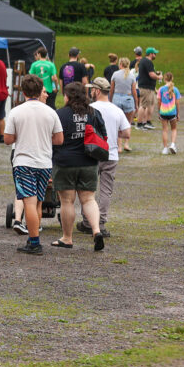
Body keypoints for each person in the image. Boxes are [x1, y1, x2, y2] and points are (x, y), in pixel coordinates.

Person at [3, 75, 63, 254]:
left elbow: (8, 139)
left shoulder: (16, 112)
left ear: (23, 92)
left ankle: (35, 242)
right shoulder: (51, 112)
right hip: (44, 162)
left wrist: (20, 135)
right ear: (40, 90)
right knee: (38, 202)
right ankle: (32, 237)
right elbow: (59, 139)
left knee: (28, 202)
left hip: (24, 162)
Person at [51, 82, 107, 251]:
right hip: (89, 162)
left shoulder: (60, 114)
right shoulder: (94, 113)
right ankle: (96, 231)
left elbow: (52, 138)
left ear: (68, 97)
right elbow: (104, 136)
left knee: (67, 201)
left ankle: (67, 238)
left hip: (65, 162)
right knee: (89, 199)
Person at [80, 78, 131, 238]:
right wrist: (114, 133)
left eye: (92, 89)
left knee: (88, 190)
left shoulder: (89, 109)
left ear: (96, 91)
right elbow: (127, 133)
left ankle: (87, 221)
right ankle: (100, 223)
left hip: (91, 153)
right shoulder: (117, 110)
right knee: (106, 191)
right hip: (110, 154)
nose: (90, 92)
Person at [109, 58, 137, 152]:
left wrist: (110, 100)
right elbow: (134, 91)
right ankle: (126, 144)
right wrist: (136, 103)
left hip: (116, 99)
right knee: (128, 123)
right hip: (128, 99)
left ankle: (119, 146)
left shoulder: (115, 74)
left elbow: (111, 90)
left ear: (120, 64)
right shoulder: (132, 75)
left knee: (117, 124)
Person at [134, 47, 160, 130]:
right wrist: (159, 77)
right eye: (154, 53)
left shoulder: (145, 61)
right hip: (146, 87)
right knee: (143, 105)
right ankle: (139, 124)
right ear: (151, 54)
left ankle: (147, 122)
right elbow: (151, 74)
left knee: (150, 104)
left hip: (149, 87)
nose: (155, 55)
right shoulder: (148, 62)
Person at [158, 73, 181, 155]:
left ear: (164, 79)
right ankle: (173, 144)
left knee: (165, 130)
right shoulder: (176, 90)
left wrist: (159, 112)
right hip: (172, 113)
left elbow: (159, 102)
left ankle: (165, 148)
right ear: (172, 78)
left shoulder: (161, 89)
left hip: (163, 112)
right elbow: (177, 103)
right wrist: (178, 113)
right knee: (174, 129)